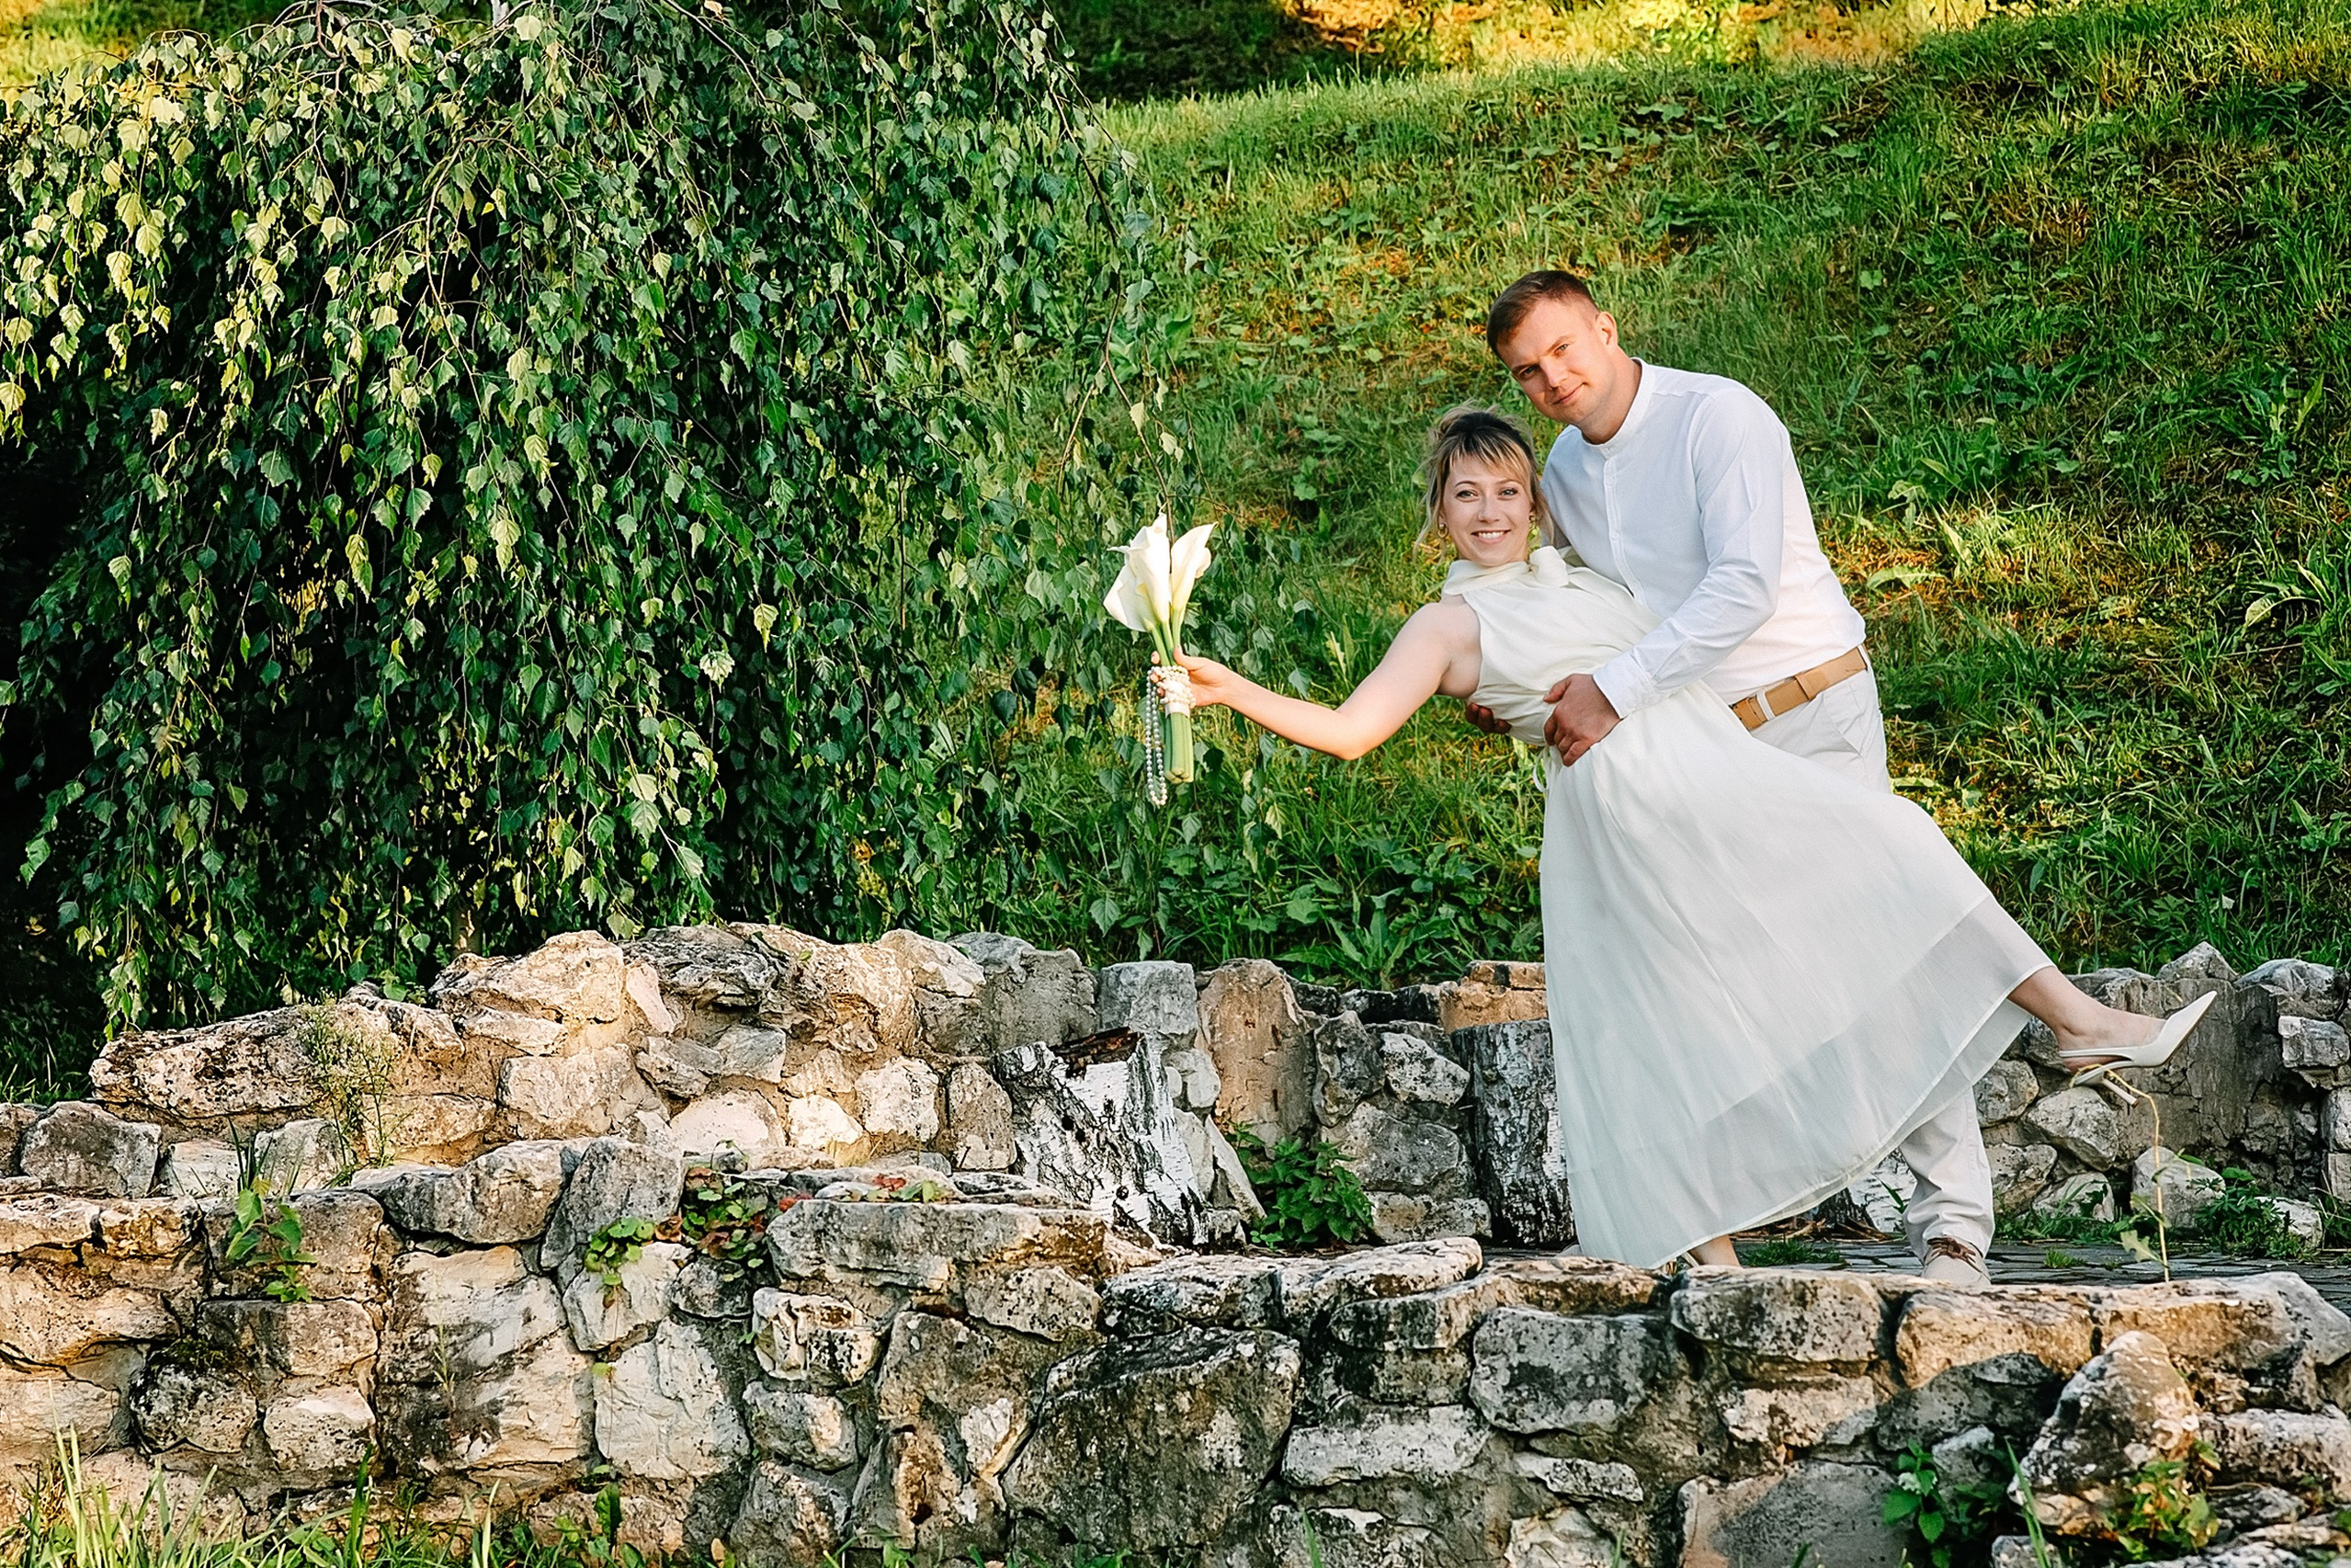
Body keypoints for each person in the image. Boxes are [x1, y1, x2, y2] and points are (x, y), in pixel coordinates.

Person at [1171, 406, 2211, 1275]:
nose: (1489, 512)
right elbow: (1351, 730)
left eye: (1507, 491)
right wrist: (1228, 688)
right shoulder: (1444, 626)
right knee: (1672, 1009)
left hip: (1713, 769)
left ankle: (2065, 1036)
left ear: (1535, 501)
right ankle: (1717, 1249)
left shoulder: (1584, 578)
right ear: (1435, 513)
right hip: (1635, 807)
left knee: (1879, 863)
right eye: (1465, 495)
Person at [1478, 268, 1989, 1283]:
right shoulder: (1565, 473)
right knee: (1711, 976)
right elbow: (1586, 608)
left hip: (1807, 710)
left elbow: (1743, 586)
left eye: (1562, 350)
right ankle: (1719, 1224)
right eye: (1527, 372)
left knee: (1880, 951)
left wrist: (1611, 691)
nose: (1551, 380)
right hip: (1697, 746)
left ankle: (1953, 1227)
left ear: (1605, 328)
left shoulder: (1718, 417)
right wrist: (1519, 681)